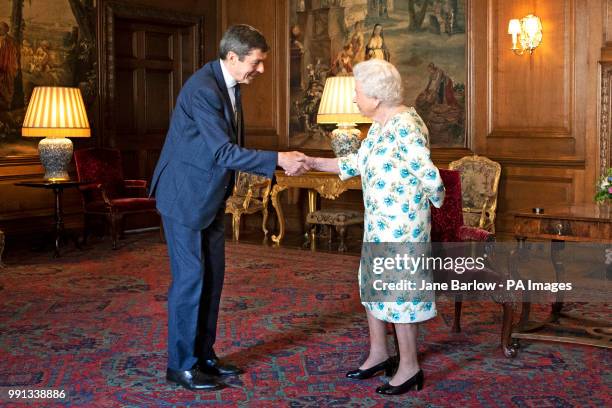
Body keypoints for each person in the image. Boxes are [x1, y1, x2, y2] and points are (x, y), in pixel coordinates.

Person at [150, 24, 309, 391]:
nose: (262, 70)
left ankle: (204, 355)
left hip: (209, 195)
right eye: (257, 62)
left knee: (213, 279)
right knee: (190, 281)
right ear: (233, 57)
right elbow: (222, 152)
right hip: (184, 195)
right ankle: (181, 366)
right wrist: (279, 157)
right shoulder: (203, 89)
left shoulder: (229, 83)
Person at [304, 59, 445, 395]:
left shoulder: (404, 126)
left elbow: (430, 176)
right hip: (380, 224)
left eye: (357, 92)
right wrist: (311, 162)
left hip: (403, 227)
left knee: (400, 294)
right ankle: (380, 354)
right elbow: (356, 162)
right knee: (372, 285)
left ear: (377, 96)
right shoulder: (381, 126)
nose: (354, 99)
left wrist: (434, 206)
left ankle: (409, 367)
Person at [0, 22, 18, 110]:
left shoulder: (10, 41)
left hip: (8, 68)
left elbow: (13, 55)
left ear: (6, 30)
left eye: (1, 28)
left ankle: (7, 106)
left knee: (7, 87)